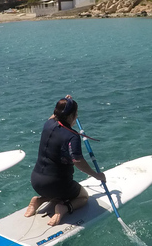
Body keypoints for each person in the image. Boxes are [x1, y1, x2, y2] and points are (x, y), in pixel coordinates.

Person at [25, 96, 106, 226]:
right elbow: (78, 161)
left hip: (36, 182)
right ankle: (63, 209)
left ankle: (39, 200)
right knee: (84, 197)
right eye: (76, 114)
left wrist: (65, 102)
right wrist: (97, 175)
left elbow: (55, 116)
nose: (77, 116)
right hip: (58, 185)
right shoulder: (72, 136)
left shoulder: (48, 124)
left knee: (55, 191)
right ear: (71, 116)